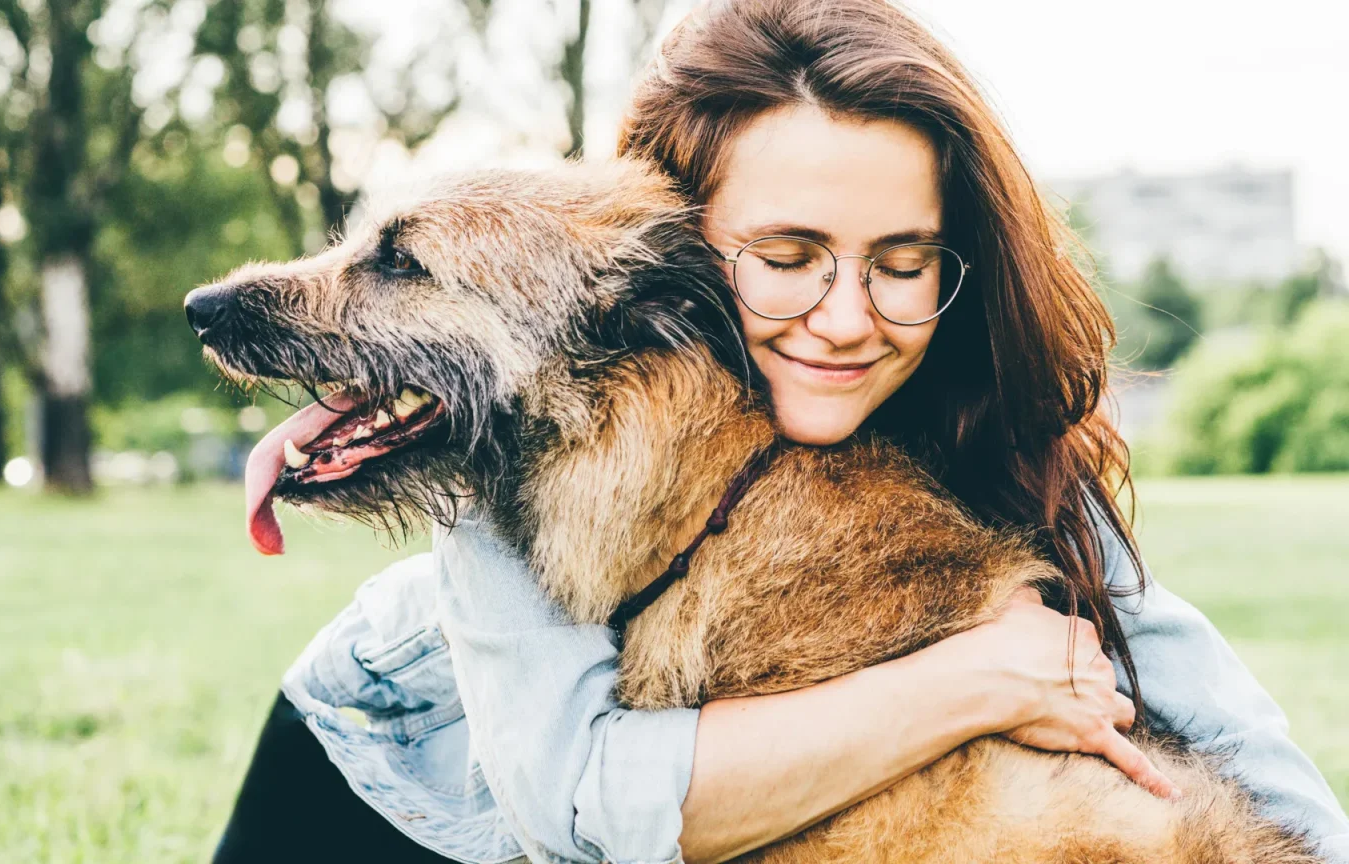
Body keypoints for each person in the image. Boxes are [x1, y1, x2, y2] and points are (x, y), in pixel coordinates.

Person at [212, 1, 1349, 862]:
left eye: (902, 262)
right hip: (390, 772)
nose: (846, 319)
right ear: (687, 253)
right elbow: (584, 804)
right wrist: (977, 679)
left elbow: (1236, 739)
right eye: (788, 256)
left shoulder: (980, 423)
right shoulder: (538, 423)